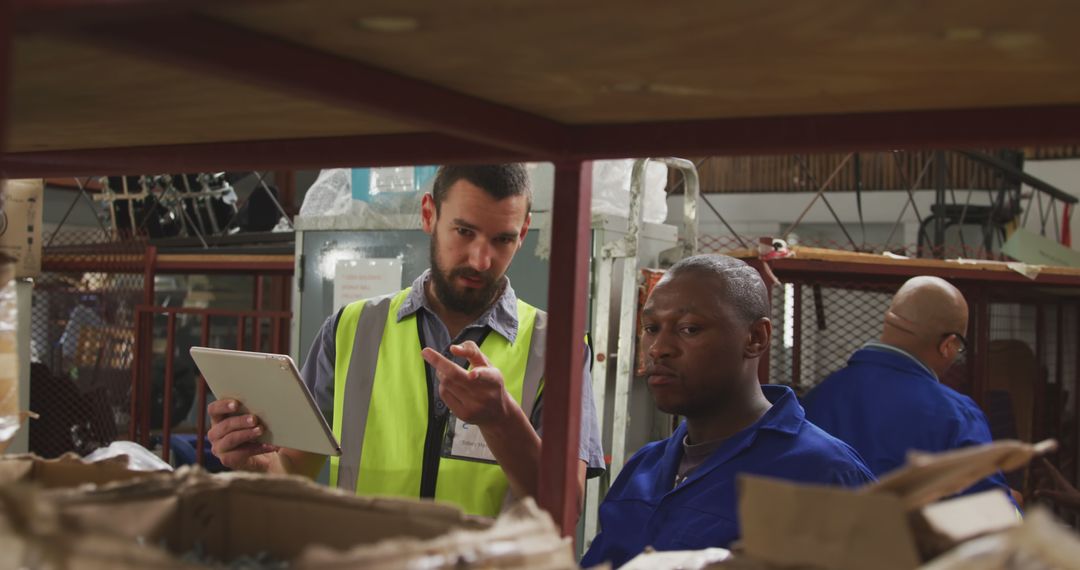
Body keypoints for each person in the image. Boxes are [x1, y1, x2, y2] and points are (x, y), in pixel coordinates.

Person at [207, 164, 604, 517]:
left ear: (522, 235)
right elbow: (293, 470)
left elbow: (565, 507)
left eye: (502, 239)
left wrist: (503, 422)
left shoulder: (558, 351)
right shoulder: (350, 329)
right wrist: (255, 465)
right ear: (429, 213)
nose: (481, 260)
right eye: (464, 232)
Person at [581, 254, 874, 569]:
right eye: (651, 327)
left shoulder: (823, 474)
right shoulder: (643, 468)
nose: (658, 348)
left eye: (689, 329)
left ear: (755, 338)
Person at [802, 275, 1015, 504]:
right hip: (912, 540)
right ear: (948, 345)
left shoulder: (814, 400)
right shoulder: (957, 416)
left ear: (889, 321)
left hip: (818, 537)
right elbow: (991, 512)